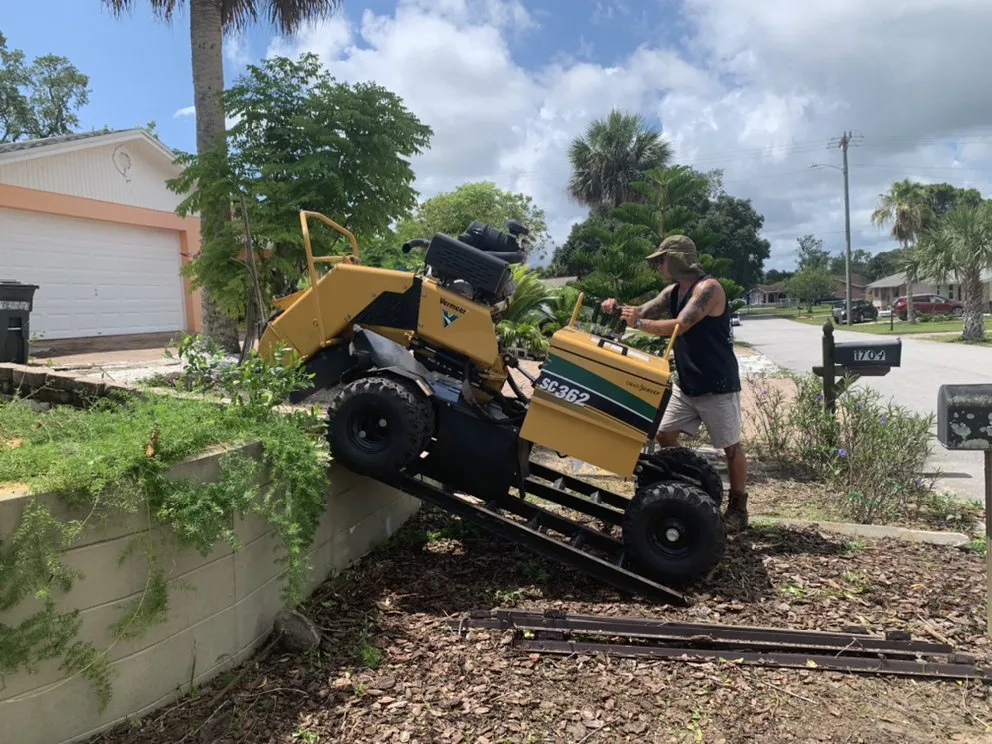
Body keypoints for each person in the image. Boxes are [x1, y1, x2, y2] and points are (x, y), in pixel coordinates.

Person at [600, 234, 749, 533]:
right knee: (665, 434)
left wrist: (638, 324)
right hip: (687, 383)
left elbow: (681, 326)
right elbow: (641, 312)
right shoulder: (672, 292)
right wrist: (619, 309)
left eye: (662, 260)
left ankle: (738, 508)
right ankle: (687, 487)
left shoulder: (709, 289)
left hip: (716, 383)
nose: (658, 266)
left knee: (731, 448)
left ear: (678, 258)